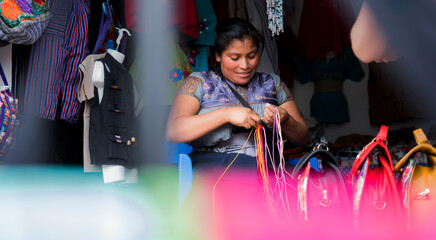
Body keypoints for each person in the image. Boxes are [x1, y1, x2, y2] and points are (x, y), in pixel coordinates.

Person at [166, 18, 309, 169]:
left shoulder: (272, 83)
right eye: (235, 58)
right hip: (216, 170)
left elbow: (303, 138)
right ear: (218, 55)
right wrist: (226, 114)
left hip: (267, 169)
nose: (245, 65)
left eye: (252, 56)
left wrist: (286, 120)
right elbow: (174, 131)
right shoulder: (198, 82)